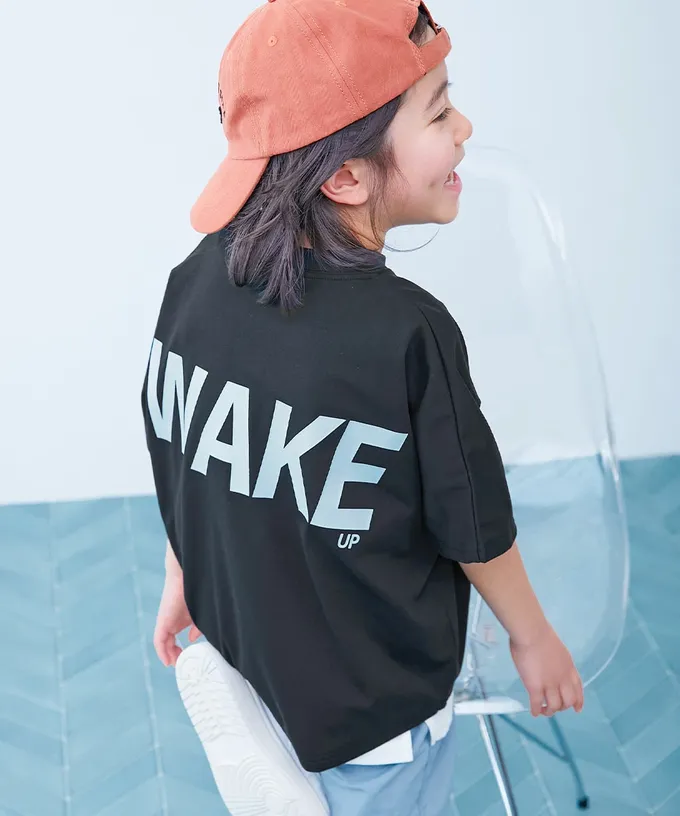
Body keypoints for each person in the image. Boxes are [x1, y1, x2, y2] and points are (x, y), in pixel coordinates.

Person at [142, 1, 584, 814]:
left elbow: (189, 458)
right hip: (376, 717)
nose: (465, 128)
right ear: (345, 176)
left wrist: (185, 575)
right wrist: (532, 637)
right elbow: (475, 528)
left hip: (253, 655)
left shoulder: (194, 282)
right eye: (440, 112)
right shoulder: (409, 333)